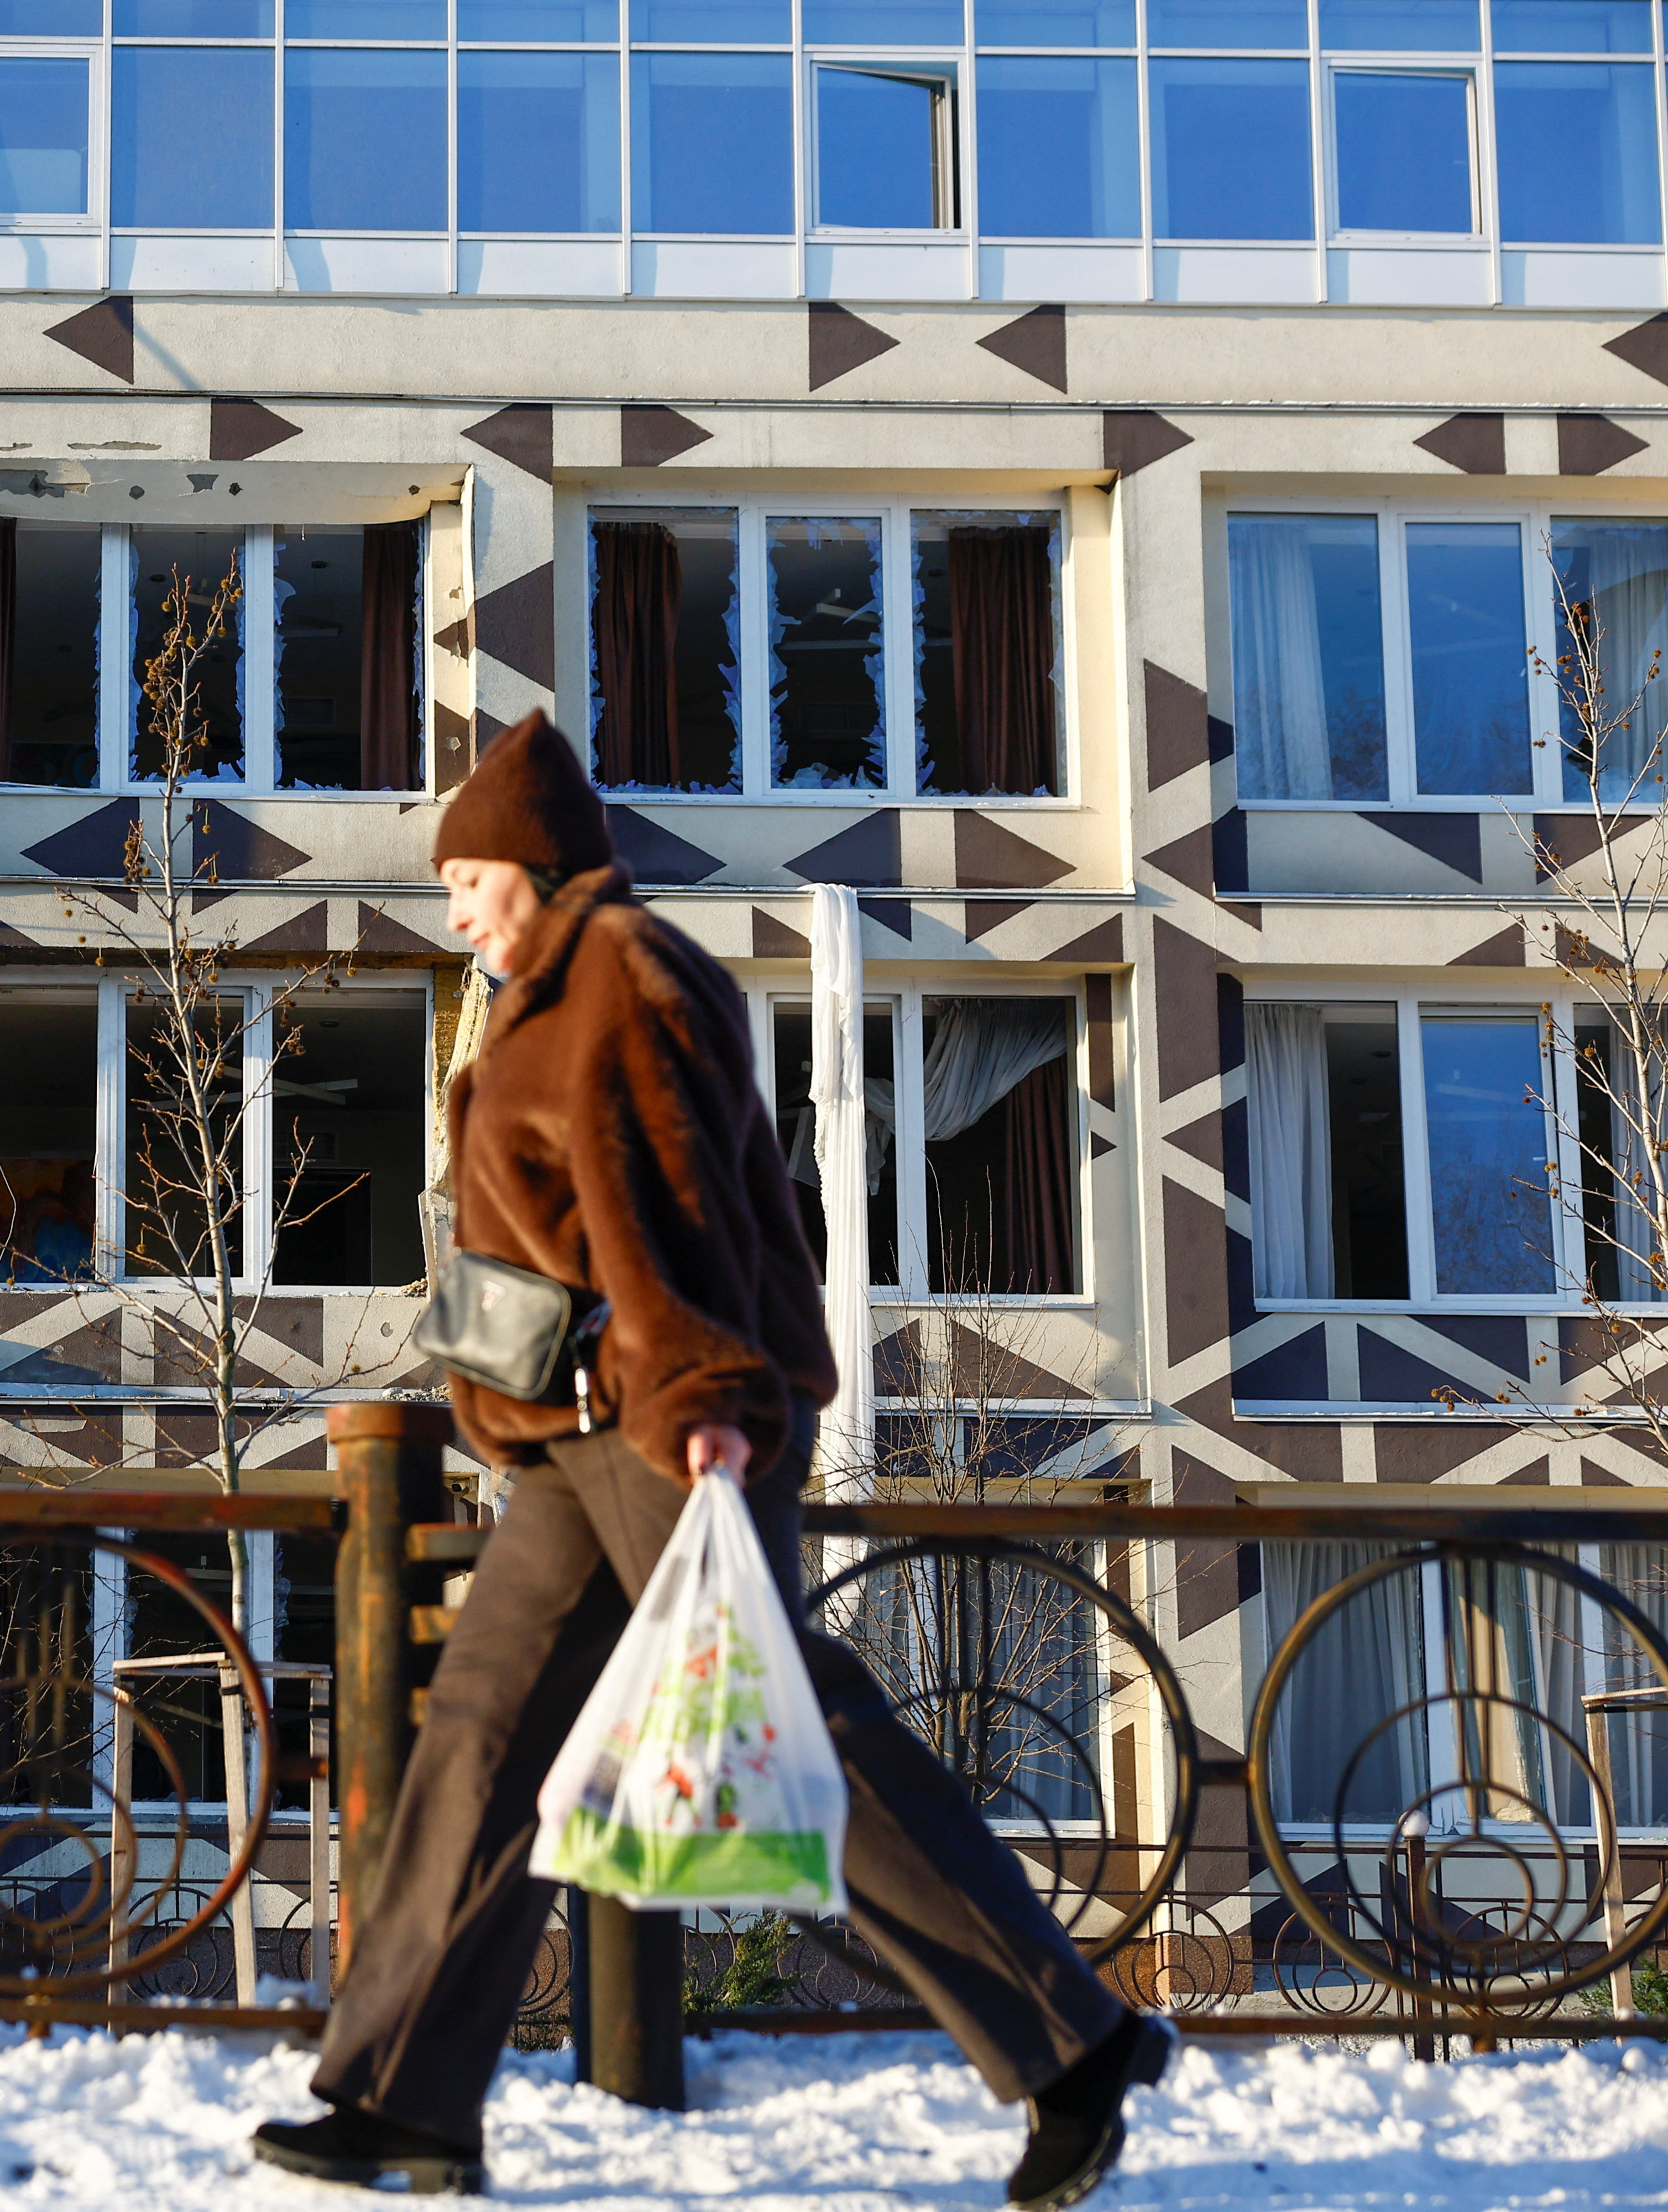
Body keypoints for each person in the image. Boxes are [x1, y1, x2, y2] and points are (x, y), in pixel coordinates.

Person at [250, 713, 1169, 2207]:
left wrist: (708, 1397)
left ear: (539, 868)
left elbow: (677, 1197)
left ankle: (1074, 2046)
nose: (455, 908)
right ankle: (405, 2096)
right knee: (479, 1742)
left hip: (666, 1414)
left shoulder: (624, 972)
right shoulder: (541, 993)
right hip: (569, 1432)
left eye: (469, 877)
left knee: (811, 1740)